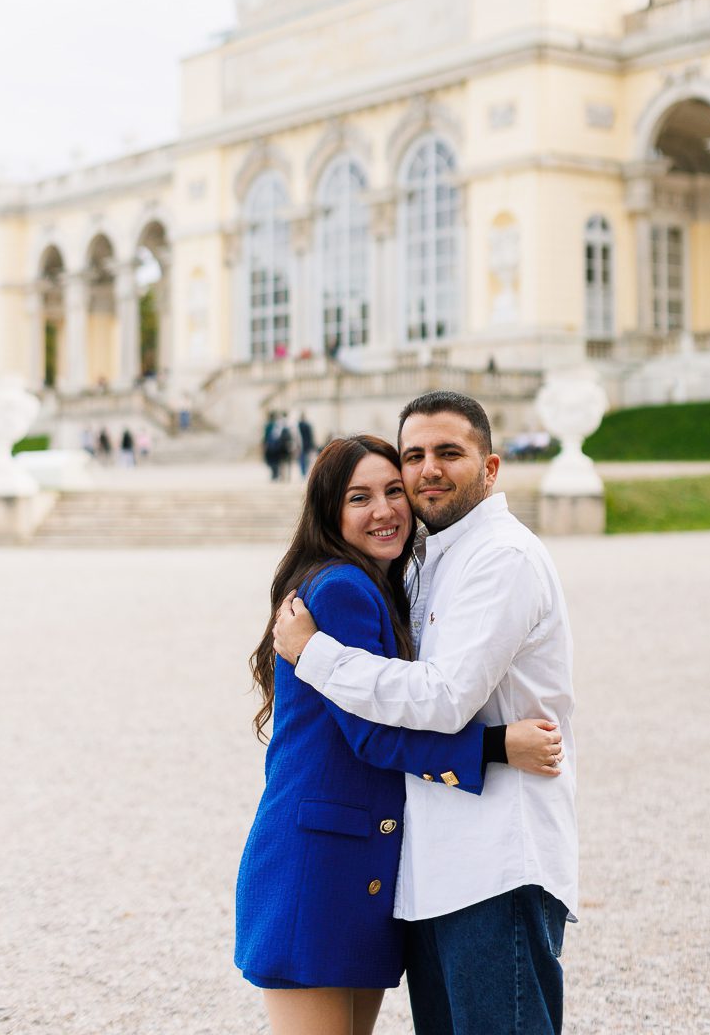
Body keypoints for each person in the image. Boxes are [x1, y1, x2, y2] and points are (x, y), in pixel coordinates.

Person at [236, 434, 562, 1035]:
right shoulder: (343, 588)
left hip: (357, 860)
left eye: (393, 491)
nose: (384, 509)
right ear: (330, 510)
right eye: (360, 497)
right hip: (320, 862)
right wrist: (496, 746)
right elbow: (373, 737)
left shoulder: (384, 584)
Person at [296, 412, 315, 478]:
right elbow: (311, 436)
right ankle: (305, 472)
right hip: (307, 445)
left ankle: (303, 472)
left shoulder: (298, 425)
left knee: (302, 459)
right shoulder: (307, 425)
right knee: (306, 459)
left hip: (301, 445)